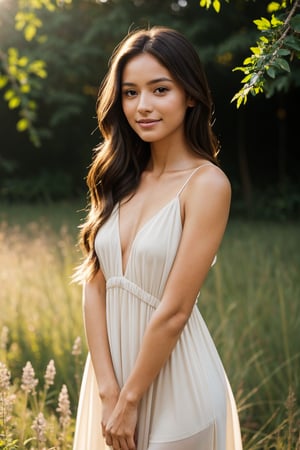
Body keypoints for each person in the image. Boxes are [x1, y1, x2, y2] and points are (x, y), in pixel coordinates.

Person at [73, 26, 243, 450]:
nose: (142, 106)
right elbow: (94, 286)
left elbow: (175, 309)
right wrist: (109, 390)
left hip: (177, 385)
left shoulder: (207, 184)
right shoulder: (119, 177)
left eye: (159, 89)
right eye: (130, 92)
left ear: (190, 95)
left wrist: (130, 399)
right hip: (109, 382)